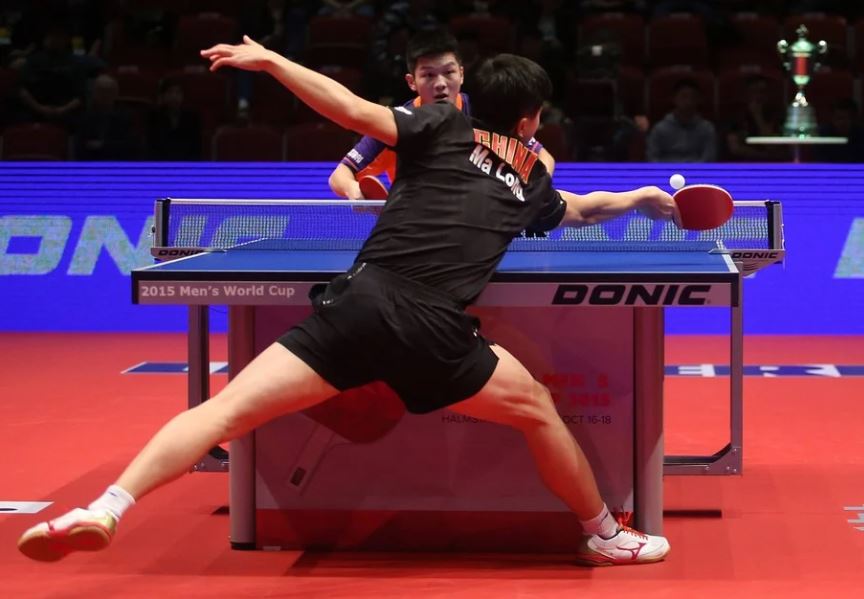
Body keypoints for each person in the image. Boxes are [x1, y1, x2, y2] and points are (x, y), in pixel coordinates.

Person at [17, 35, 675, 567]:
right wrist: (644, 199)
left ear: (473, 100)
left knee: (223, 411)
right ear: (532, 119)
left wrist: (273, 61)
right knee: (535, 409)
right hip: (432, 327)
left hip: (357, 302)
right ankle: (601, 532)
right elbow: (583, 210)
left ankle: (105, 505)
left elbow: (351, 109)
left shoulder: (437, 128)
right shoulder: (532, 174)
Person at [328, 29, 556, 200]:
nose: (440, 84)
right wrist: (355, 192)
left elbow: (542, 159)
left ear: (462, 74)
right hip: (415, 227)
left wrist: (531, 189)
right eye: (428, 75)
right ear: (412, 82)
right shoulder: (395, 124)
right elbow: (340, 174)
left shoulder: (483, 113)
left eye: (449, 72)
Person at [646, 78, 717, 163]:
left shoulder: (707, 128)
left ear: (699, 100)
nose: (688, 102)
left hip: (696, 174)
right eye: (684, 97)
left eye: (693, 97)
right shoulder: (659, 129)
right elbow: (652, 158)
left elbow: (709, 158)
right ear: (674, 99)